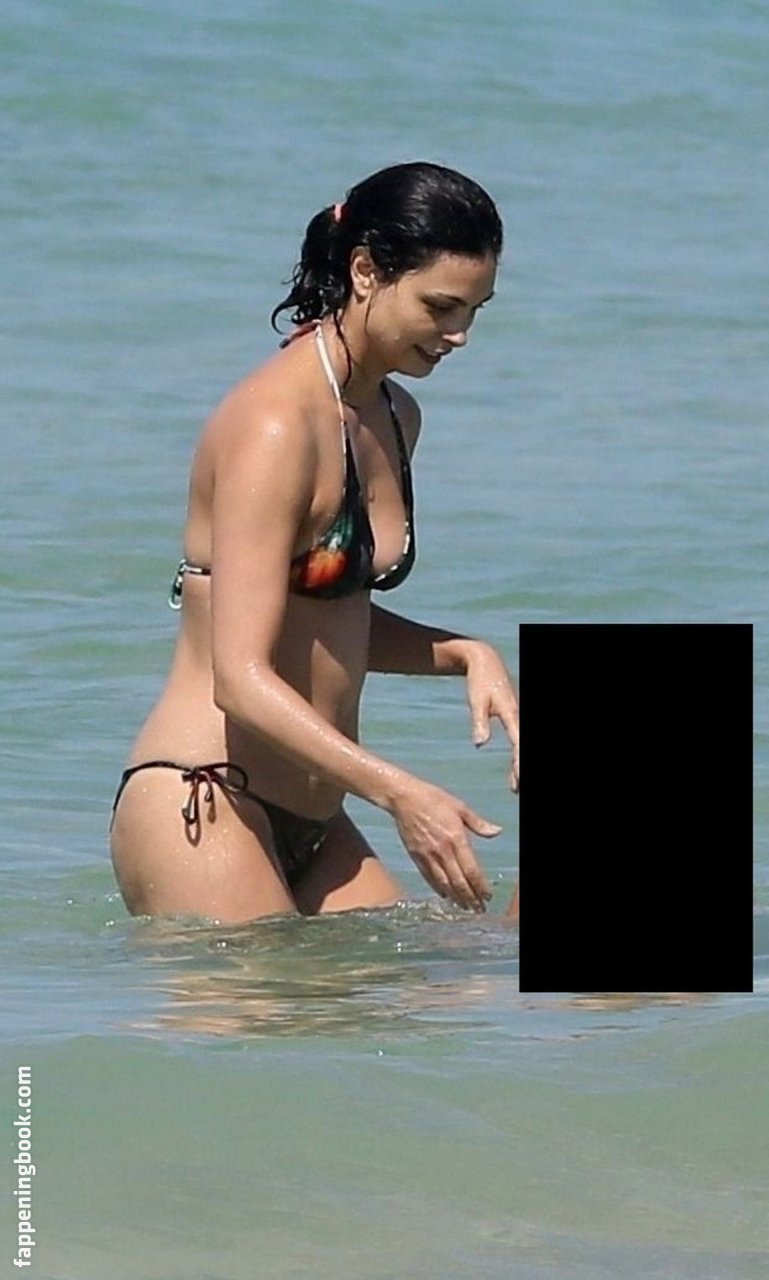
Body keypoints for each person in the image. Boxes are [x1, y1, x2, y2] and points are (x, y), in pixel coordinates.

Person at [110, 161, 519, 924]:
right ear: (365, 271)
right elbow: (238, 677)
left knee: (478, 973)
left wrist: (467, 652)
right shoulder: (276, 427)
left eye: (476, 309)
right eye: (440, 306)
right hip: (206, 798)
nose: (460, 334)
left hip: (318, 819)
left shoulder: (393, 416)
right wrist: (401, 792)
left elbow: (328, 620)